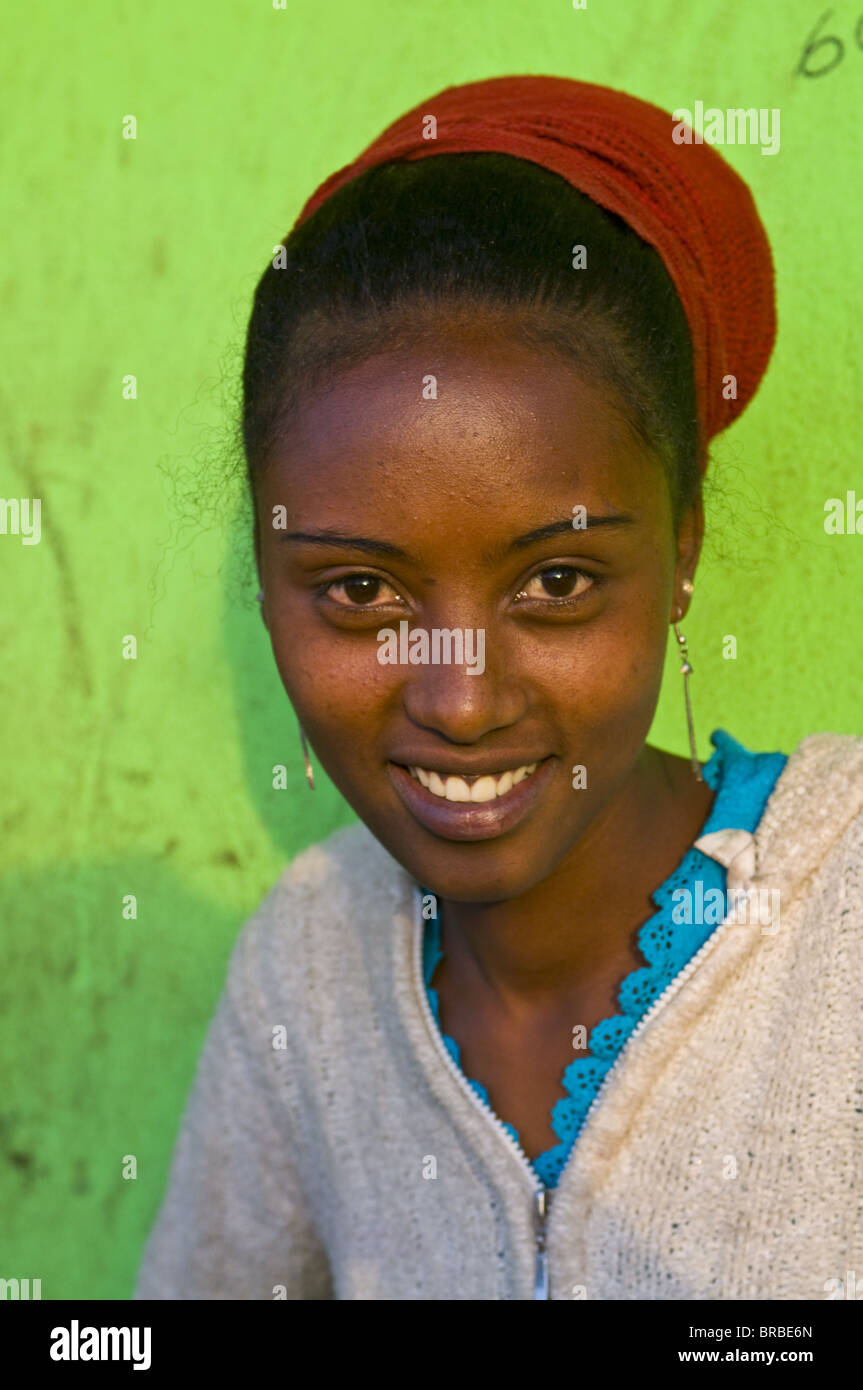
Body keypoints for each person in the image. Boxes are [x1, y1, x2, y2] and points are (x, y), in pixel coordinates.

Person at [135, 75, 863, 1301]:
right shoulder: (306, 969)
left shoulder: (838, 921)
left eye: (558, 580)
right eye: (361, 594)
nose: (459, 703)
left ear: (679, 550)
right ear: (267, 577)